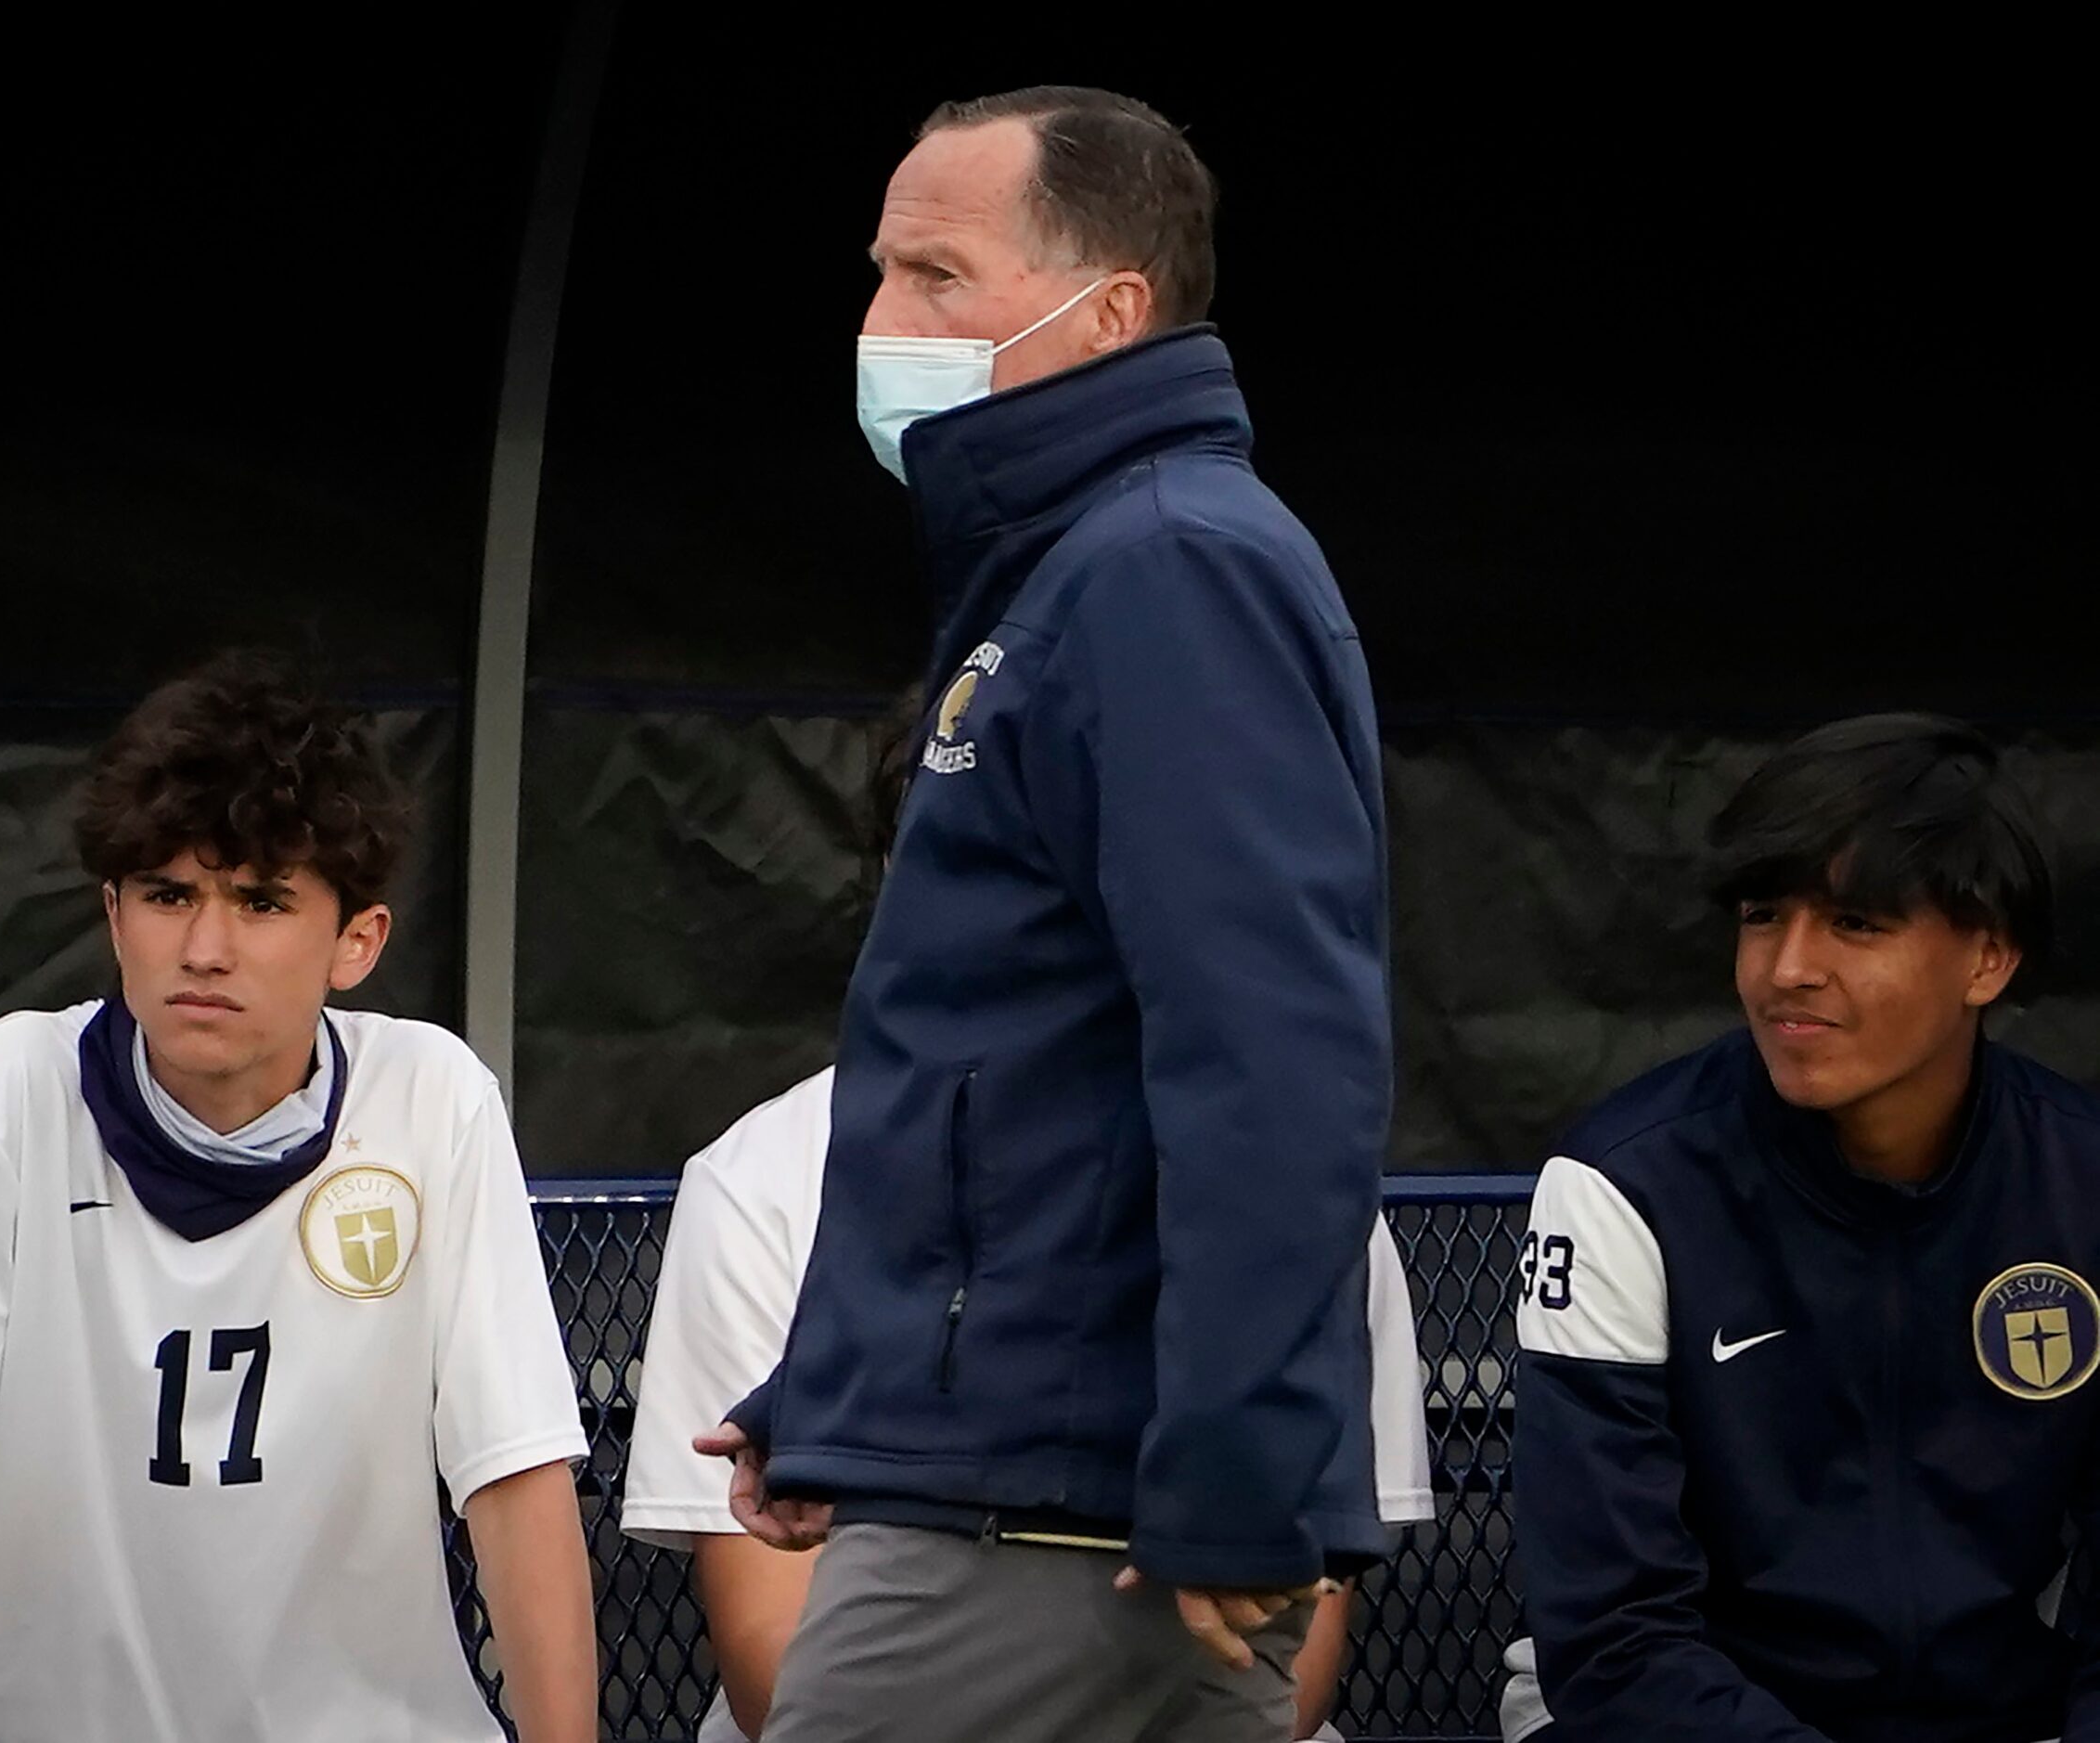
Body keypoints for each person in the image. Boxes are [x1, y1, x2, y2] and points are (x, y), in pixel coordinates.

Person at [699, 86, 1395, 1743]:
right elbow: (1017, 1075)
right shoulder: (1079, 564)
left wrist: (1230, 1462)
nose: (881, 324)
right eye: (878, 274)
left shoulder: (1163, 568)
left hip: (1061, 1524)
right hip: (1017, 1487)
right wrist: (851, 1397)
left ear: (1116, 311)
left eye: (937, 276)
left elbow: (1270, 1056)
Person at [625, 697, 1429, 1741]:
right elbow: (777, 1666)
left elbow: (1282, 1673)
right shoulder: (760, 1176)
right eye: (975, 858)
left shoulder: (1282, 1174)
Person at [0, 652, 598, 1743]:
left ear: (358, 941)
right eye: (168, 895)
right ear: (114, 916)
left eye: (260, 901)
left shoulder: (433, 1098)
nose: (205, 947)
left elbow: (515, 1477)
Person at [1505, 714, 2095, 1743]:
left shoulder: (2082, 1180)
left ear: (1988, 958)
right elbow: (1613, 1640)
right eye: (1762, 915)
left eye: (1856, 925)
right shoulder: (1622, 1185)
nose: (1787, 968)